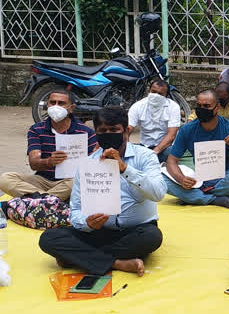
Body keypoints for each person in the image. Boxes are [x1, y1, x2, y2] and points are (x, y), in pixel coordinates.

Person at [38, 107, 166, 277]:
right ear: (96, 133)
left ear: (126, 131)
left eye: (114, 130)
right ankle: (117, 263)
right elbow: (75, 209)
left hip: (136, 231)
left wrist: (125, 169)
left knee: (152, 237)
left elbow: (158, 193)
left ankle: (77, 257)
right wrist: (87, 223)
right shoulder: (87, 163)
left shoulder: (146, 156)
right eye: (102, 131)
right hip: (99, 232)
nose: (108, 134)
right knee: (49, 238)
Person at [0, 90, 97, 201]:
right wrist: (49, 161)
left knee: (81, 181)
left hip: (69, 182)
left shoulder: (86, 132)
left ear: (71, 108)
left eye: (61, 103)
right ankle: (48, 200)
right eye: (52, 102)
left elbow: (91, 168)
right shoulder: (36, 129)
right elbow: (34, 164)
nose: (56, 106)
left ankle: (36, 200)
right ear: (47, 105)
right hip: (42, 180)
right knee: (5, 179)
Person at [163, 89, 229, 208]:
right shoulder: (187, 129)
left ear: (217, 107)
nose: (201, 109)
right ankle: (211, 199)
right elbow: (171, 161)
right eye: (199, 105)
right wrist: (181, 179)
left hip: (224, 178)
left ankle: (194, 197)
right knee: (160, 178)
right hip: (198, 179)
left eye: (206, 106)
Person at [127, 80, 181, 163]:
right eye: (153, 92)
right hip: (144, 146)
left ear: (166, 96)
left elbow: (171, 135)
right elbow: (127, 130)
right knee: (131, 154)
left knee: (172, 153)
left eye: (160, 94)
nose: (155, 96)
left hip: (165, 147)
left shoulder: (173, 107)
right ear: (149, 91)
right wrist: (127, 149)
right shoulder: (138, 106)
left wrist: (154, 152)